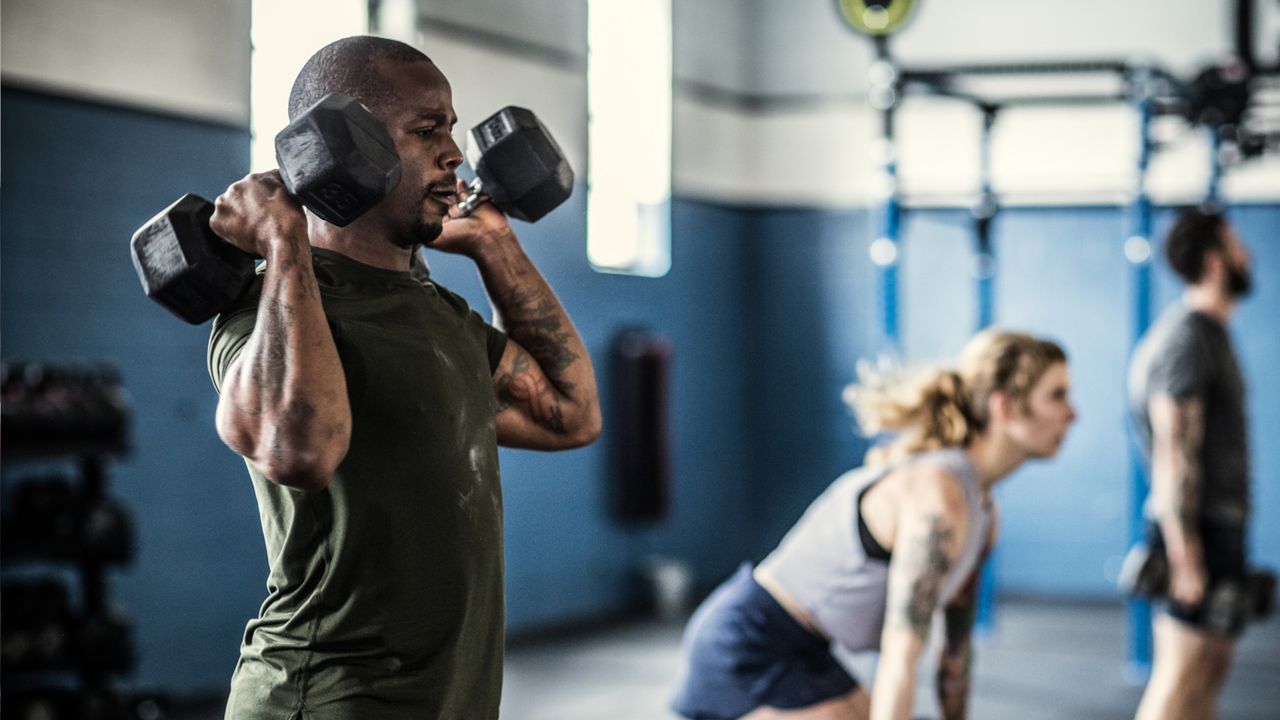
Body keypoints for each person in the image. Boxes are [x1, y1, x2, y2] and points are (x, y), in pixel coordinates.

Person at [205, 36, 601, 720]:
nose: (455, 153)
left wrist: (492, 242)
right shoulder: (262, 312)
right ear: (338, 147)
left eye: (451, 128)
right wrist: (285, 241)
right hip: (323, 703)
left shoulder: (441, 316)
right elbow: (301, 450)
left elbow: (572, 414)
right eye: (427, 131)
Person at [671, 329, 1076, 720]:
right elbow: (900, 656)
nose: (1072, 414)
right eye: (1057, 396)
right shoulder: (939, 497)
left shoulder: (984, 515)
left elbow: (954, 656)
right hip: (747, 643)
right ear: (1003, 407)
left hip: (809, 652)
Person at [1129, 207, 1253, 720]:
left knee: (1209, 669)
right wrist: (1185, 554)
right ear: (1215, 262)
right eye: (1236, 244)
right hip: (1193, 527)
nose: (1247, 254)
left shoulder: (1211, 332)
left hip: (1215, 523)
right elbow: (1173, 452)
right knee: (1180, 675)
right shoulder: (1187, 338)